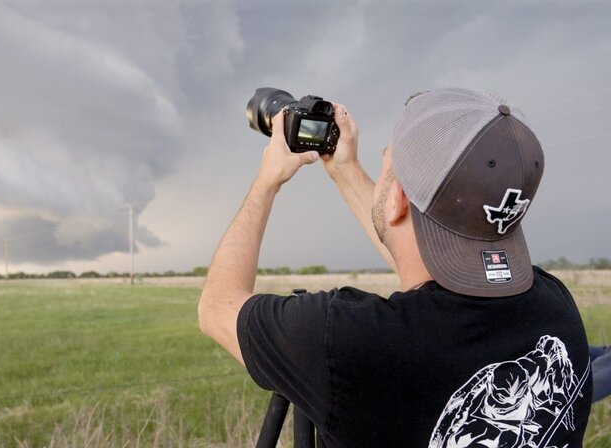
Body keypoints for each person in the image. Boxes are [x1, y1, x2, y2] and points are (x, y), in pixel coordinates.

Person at [198, 88, 594, 447]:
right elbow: (421, 262)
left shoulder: (350, 342)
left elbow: (216, 308)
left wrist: (267, 180)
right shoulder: (557, 309)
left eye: (388, 159)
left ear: (398, 198)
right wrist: (344, 169)